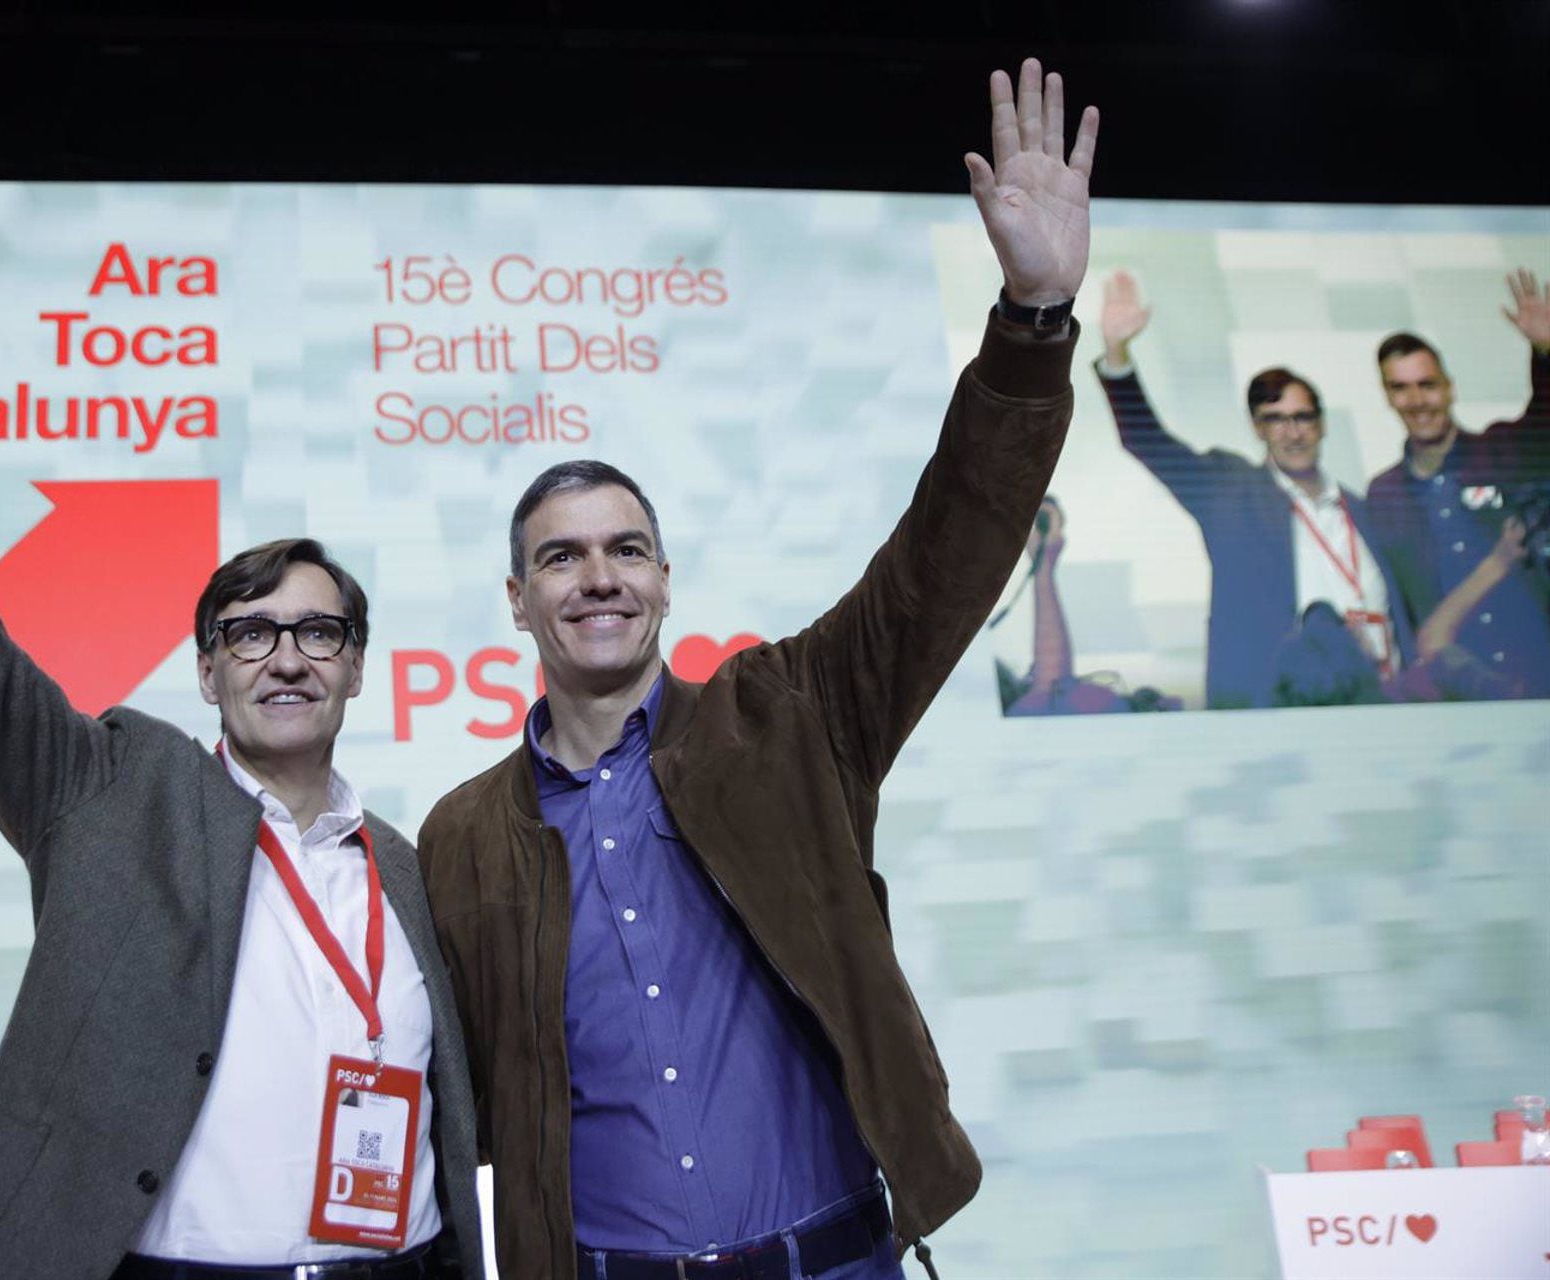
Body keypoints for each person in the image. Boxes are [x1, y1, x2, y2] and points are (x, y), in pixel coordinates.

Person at [417, 59, 1093, 1280]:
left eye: (628, 548)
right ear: (516, 602)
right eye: (560, 559)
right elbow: (427, 1076)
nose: (599, 577)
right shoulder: (463, 834)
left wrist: (1032, 323)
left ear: (668, 579)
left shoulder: (788, 718)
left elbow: (949, 545)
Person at [0, 193, 483, 1280]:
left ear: (358, 665)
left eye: (319, 630)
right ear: (207, 668)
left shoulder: (406, 870)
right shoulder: (109, 792)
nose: (287, 655)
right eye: (250, 632)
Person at [1095, 268, 1414, 709]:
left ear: (1321, 424)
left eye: (1302, 417)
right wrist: (1117, 354)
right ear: (1257, 428)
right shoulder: (1229, 491)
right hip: (1279, 707)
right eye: (1275, 419)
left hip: (1381, 699)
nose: (1292, 432)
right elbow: (1148, 442)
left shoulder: (1363, 509)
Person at [1362, 270, 1550, 699]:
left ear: (1449, 389)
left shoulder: (1503, 452)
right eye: (1401, 388)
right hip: (1453, 693)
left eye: (1427, 385)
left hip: (1537, 675)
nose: (1417, 400)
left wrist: (1545, 352)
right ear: (1387, 396)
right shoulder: (1384, 495)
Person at [999, 497, 1181, 714]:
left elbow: (1052, 692)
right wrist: (1043, 566)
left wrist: (1042, 565)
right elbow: (1053, 692)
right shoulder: (1027, 711)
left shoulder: (1026, 711)